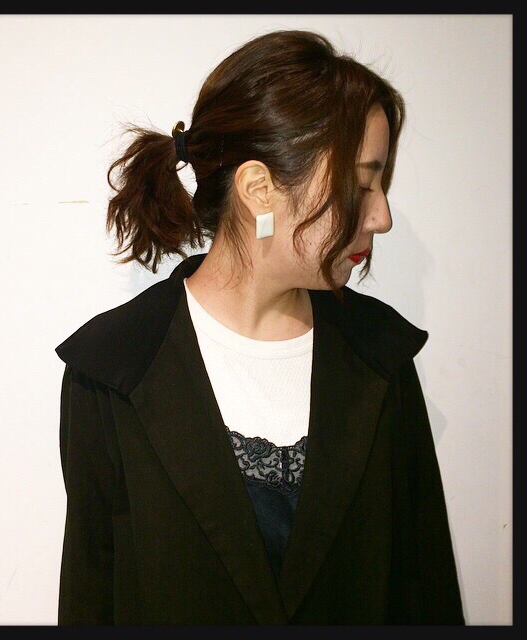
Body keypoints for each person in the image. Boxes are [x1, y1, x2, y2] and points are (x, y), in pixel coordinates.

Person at [55, 29, 465, 625]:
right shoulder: (113, 370)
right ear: (258, 189)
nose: (381, 216)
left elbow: (424, 592)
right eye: (362, 183)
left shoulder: (381, 357)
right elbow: (92, 600)